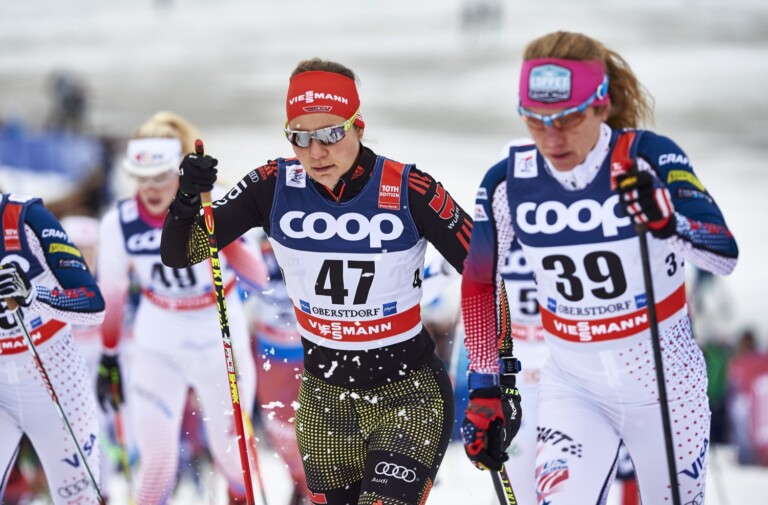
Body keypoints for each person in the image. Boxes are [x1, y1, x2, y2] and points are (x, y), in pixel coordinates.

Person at [160, 57, 496, 505]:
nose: (316, 152)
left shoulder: (408, 188)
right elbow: (181, 252)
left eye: (331, 134)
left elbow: (485, 272)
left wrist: (493, 384)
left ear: (359, 126)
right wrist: (185, 198)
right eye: (299, 137)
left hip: (409, 397)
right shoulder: (273, 185)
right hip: (325, 403)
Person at [461, 30, 739, 504]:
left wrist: (669, 223)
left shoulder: (648, 158)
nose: (552, 136)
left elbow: (723, 253)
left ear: (601, 106)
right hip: (575, 390)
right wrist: (484, 385)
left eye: (568, 118)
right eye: (535, 120)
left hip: (666, 390)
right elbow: (481, 282)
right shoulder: (508, 182)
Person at [95, 111, 267, 504]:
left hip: (218, 339)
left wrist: (222, 234)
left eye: (161, 176)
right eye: (140, 178)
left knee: (233, 457)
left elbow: (258, 277)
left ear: (180, 170)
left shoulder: (215, 201)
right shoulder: (118, 223)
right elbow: (112, 294)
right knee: (157, 463)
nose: (150, 189)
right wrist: (108, 357)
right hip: (158, 343)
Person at [0, 191, 106, 504]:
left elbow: (93, 304)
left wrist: (34, 296)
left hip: (54, 374)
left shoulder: (25, 217)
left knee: (78, 498)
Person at [247, 235, 311, 504]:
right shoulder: (253, 245)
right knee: (282, 428)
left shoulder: (313, 238)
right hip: (272, 352)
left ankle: (315, 487)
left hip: (315, 349)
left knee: (319, 429)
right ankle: (301, 484)